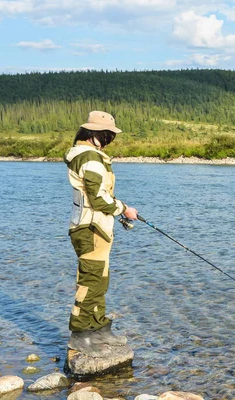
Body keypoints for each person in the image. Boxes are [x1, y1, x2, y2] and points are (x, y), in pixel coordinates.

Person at [64, 111, 138, 357]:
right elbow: (97, 199)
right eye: (107, 136)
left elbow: (98, 194)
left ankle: (99, 328)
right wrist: (124, 209)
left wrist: (117, 207)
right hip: (91, 228)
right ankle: (80, 334)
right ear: (95, 135)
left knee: (100, 280)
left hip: (95, 227)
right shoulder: (91, 159)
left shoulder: (88, 156)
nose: (109, 141)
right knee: (90, 281)